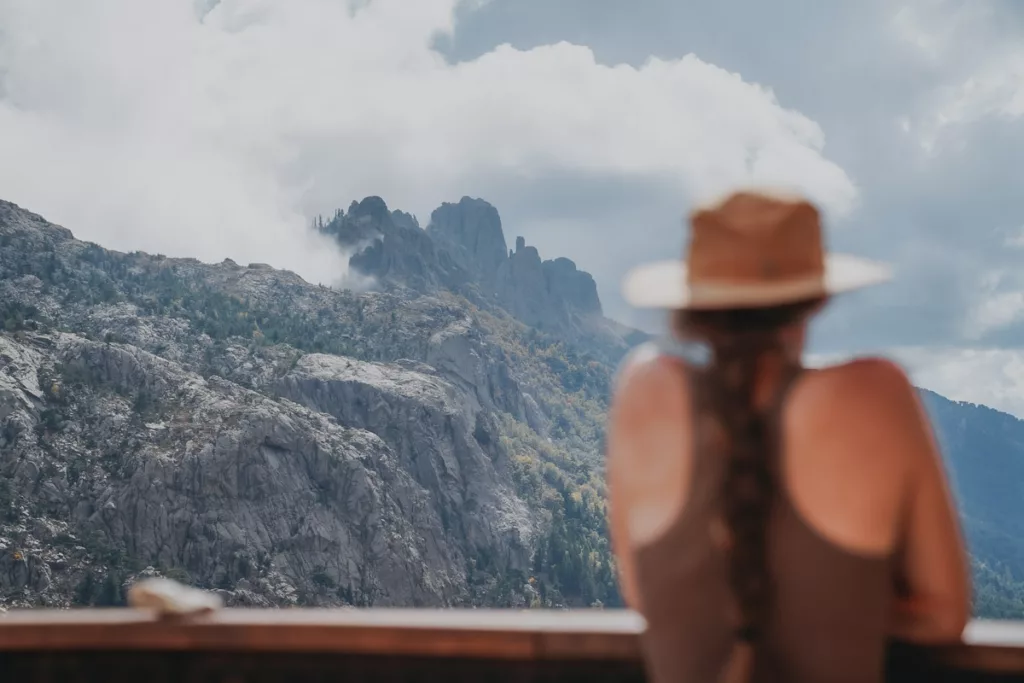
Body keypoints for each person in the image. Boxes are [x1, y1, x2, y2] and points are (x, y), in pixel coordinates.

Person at [606, 189, 970, 683]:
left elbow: (646, 593)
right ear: (818, 298)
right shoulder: (875, 394)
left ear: (692, 304)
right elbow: (942, 616)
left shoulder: (642, 391)